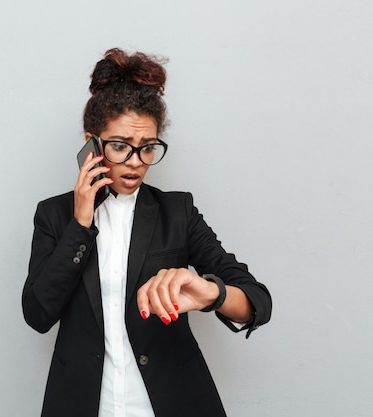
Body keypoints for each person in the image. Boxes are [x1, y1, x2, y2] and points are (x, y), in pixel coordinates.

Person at [22, 48, 272, 417]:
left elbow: (257, 302)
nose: (136, 163)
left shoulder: (177, 212)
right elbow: (38, 314)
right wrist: (80, 225)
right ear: (91, 143)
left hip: (170, 402)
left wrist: (209, 293)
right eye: (120, 147)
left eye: (148, 148)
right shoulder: (54, 216)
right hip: (85, 404)